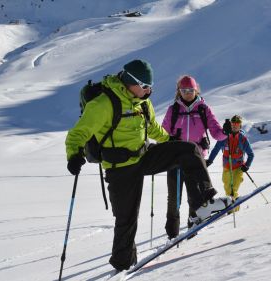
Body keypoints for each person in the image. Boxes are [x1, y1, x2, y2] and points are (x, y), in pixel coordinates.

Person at [65, 59, 231, 272]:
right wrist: (74, 155)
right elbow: (78, 133)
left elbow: (153, 128)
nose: (149, 91)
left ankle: (203, 204)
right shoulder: (104, 103)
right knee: (127, 220)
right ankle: (122, 265)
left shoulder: (143, 102)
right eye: (145, 86)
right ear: (130, 82)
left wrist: (170, 142)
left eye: (150, 86)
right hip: (120, 168)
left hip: (144, 156)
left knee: (189, 150)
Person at [161, 75, 227, 239]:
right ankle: (172, 233)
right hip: (175, 158)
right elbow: (163, 132)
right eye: (184, 90)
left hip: (197, 159)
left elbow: (216, 132)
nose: (187, 93)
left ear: (196, 89)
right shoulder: (173, 110)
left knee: (195, 196)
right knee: (174, 198)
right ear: (179, 91)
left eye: (190, 90)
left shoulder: (204, 109)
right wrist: (164, 141)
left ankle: (192, 228)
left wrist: (224, 132)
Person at [207, 115, 254, 212]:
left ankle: (234, 210)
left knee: (233, 190)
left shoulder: (242, 139)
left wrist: (247, 165)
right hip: (227, 167)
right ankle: (231, 208)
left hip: (238, 168)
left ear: (240, 126)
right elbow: (216, 149)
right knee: (227, 189)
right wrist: (210, 160)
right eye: (233, 124)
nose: (234, 126)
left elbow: (251, 154)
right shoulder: (224, 137)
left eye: (237, 124)